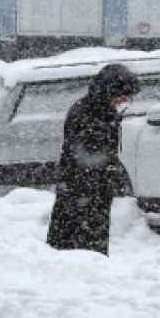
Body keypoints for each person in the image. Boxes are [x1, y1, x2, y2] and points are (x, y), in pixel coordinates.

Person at [46, 64, 140, 255]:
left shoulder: (105, 110)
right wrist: (102, 175)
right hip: (80, 189)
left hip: (96, 188)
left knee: (93, 242)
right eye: (122, 94)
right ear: (109, 90)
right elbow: (82, 155)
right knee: (73, 242)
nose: (125, 100)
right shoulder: (84, 113)